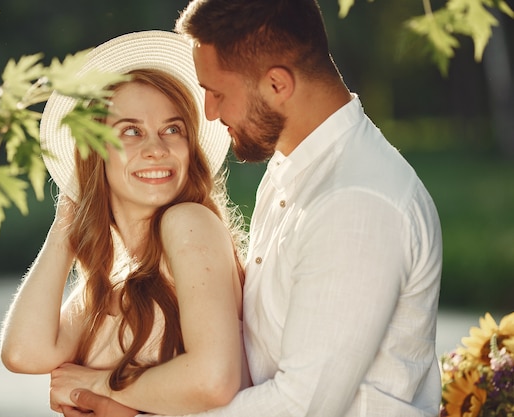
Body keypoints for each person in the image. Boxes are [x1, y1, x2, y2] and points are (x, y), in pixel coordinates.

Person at [64, 1, 443, 416]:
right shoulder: (293, 170)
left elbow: (302, 405)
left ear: (277, 85)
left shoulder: (356, 203)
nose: (209, 112)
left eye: (218, 92)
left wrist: (120, 400)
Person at [0, 30, 251, 417]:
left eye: (173, 129)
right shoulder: (112, 280)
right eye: (131, 131)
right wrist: (66, 226)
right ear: (95, 153)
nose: (157, 149)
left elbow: (213, 380)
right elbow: (23, 352)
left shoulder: (188, 222)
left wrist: (99, 387)